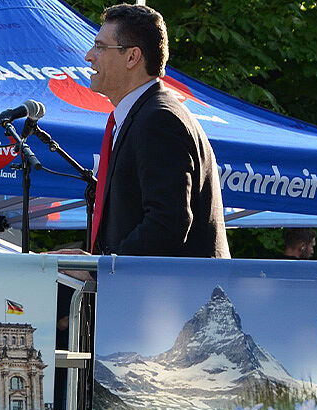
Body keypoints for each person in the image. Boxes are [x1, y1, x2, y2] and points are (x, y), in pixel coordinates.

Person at [61, 4, 229, 258]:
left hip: (173, 295)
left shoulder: (159, 119)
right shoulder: (146, 114)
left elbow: (168, 223)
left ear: (132, 57)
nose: (89, 56)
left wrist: (101, 268)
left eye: (100, 47)